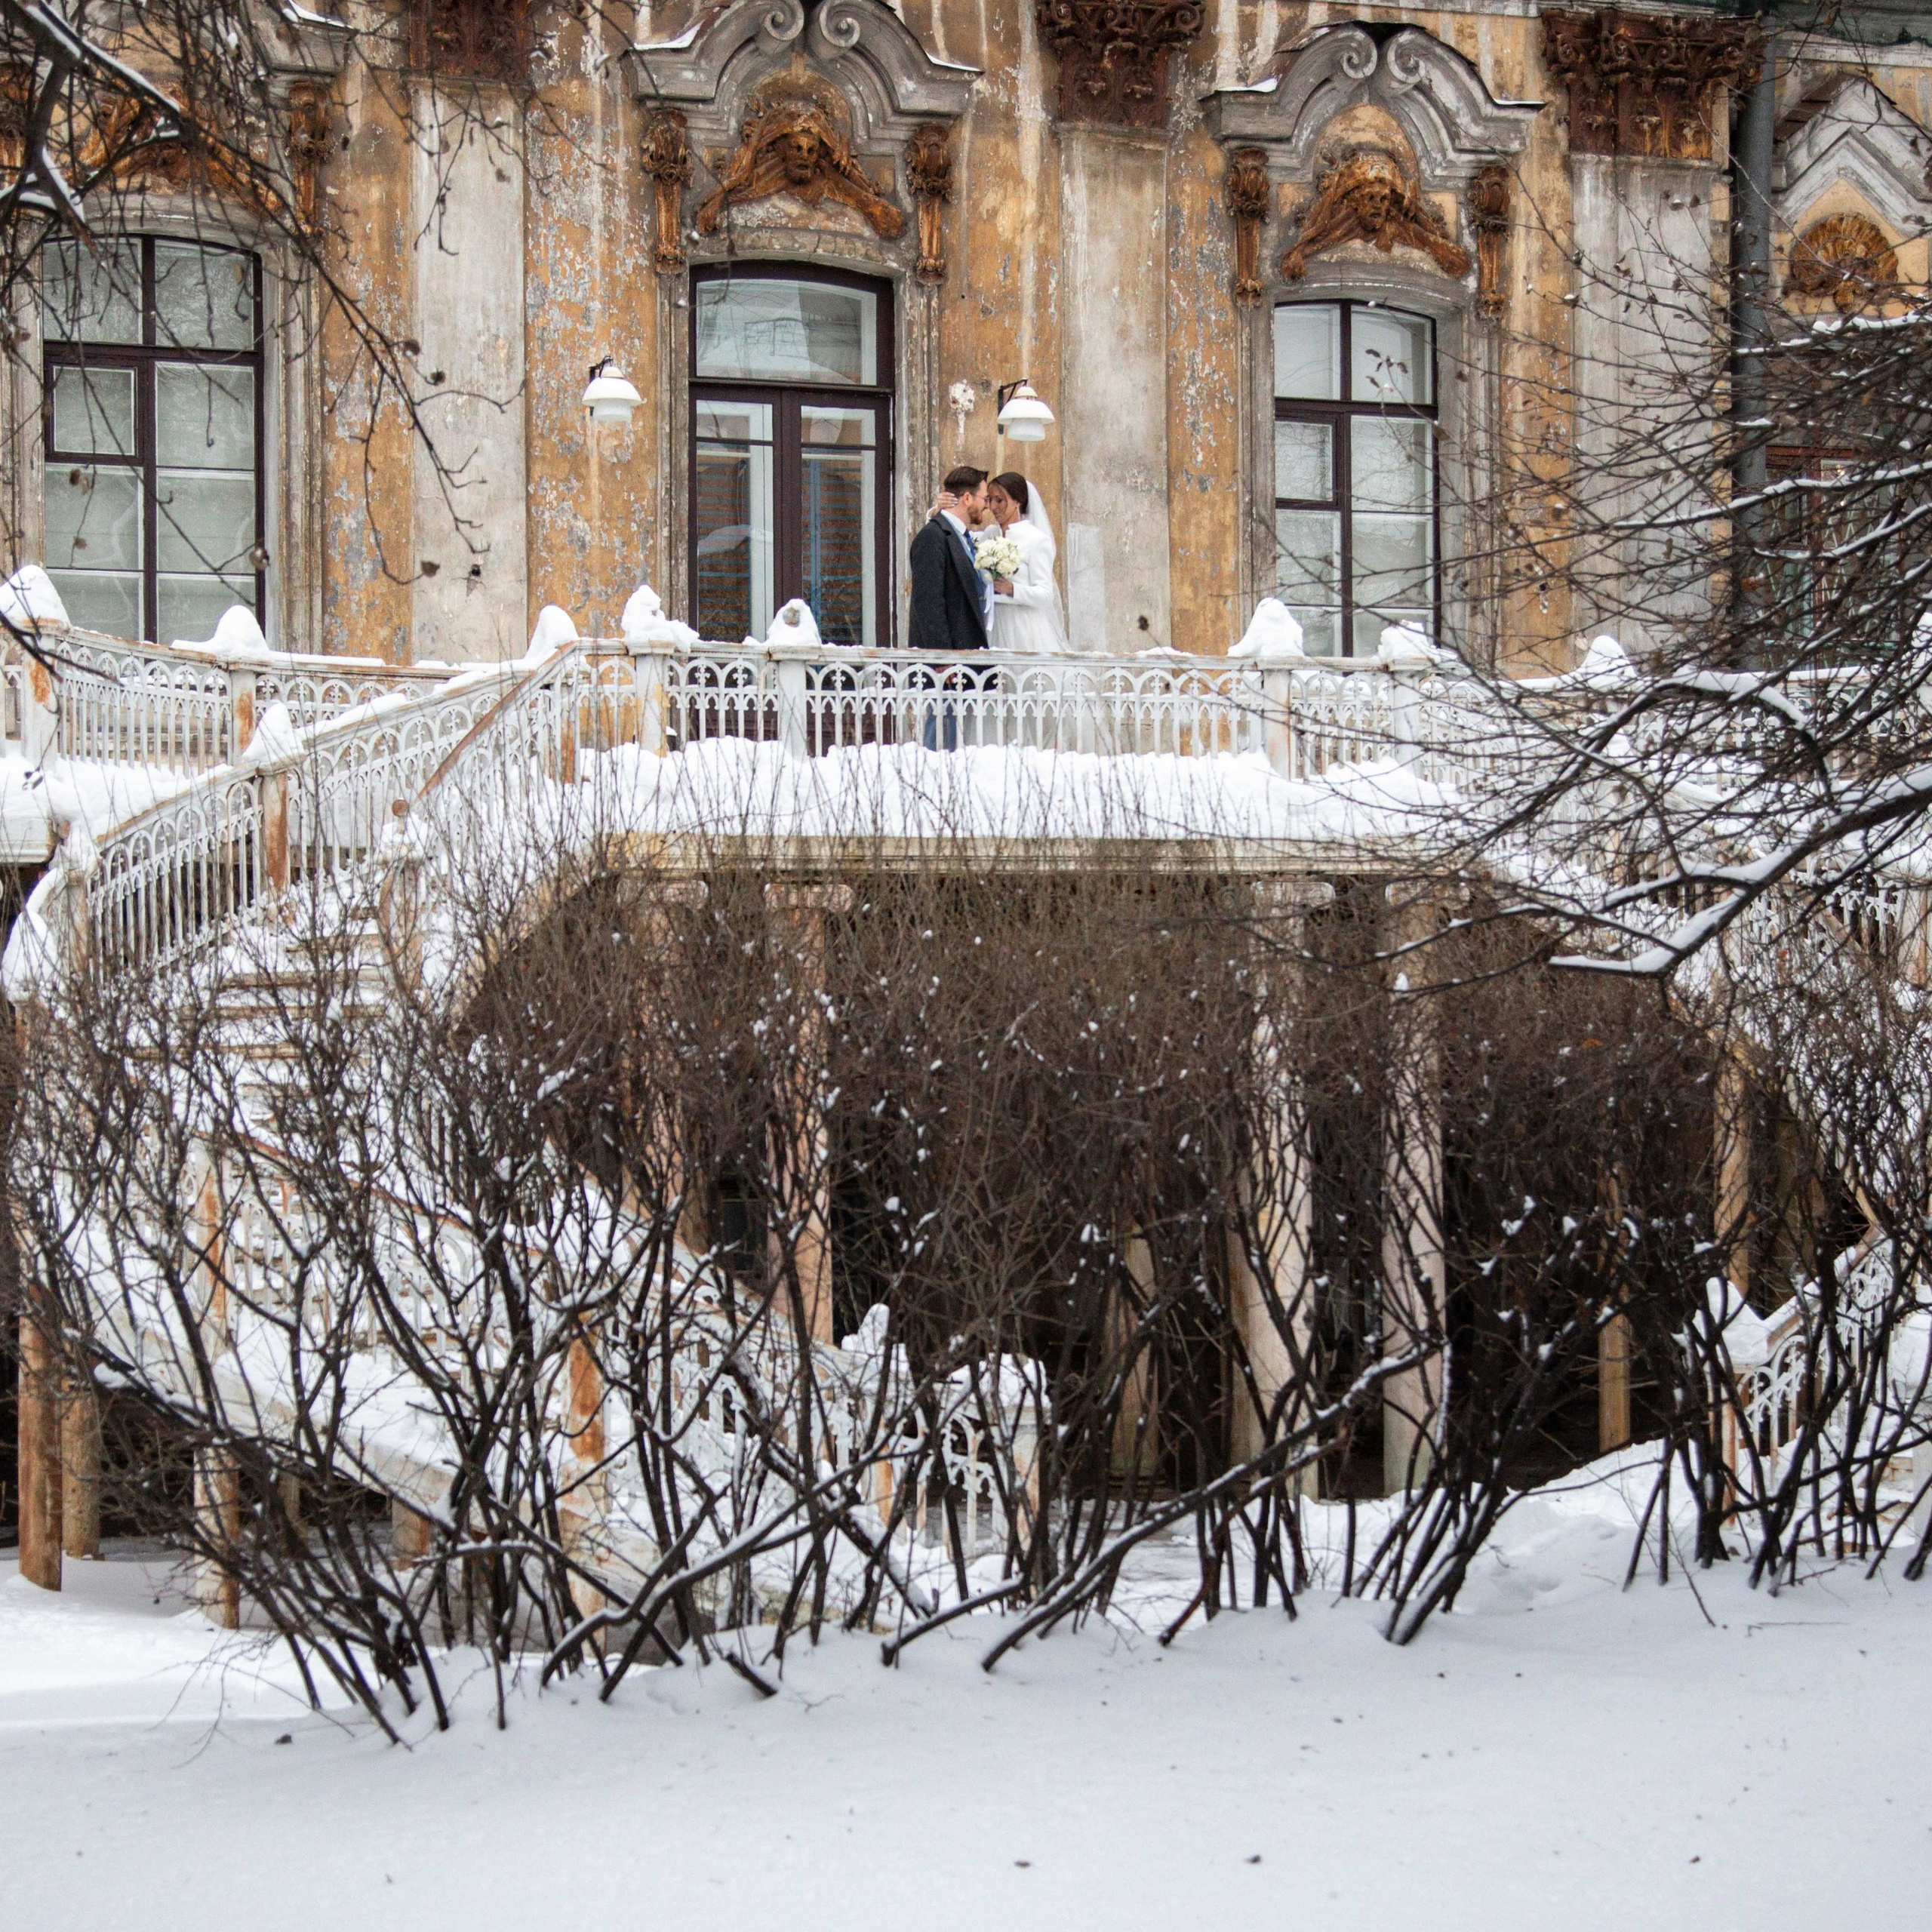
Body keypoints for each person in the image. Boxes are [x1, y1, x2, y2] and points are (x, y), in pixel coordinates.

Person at [909, 464, 991, 747]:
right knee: (940, 734)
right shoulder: (933, 537)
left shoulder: (965, 538)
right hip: (946, 662)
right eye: (984, 499)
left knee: (953, 732)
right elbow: (928, 601)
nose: (987, 506)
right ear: (967, 499)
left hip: (964, 658)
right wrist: (942, 658)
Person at [984, 471, 1069, 655]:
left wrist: (1012, 589)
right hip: (994, 624)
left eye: (999, 500)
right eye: (990, 500)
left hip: (1023, 627)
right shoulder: (990, 534)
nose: (993, 507)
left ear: (1017, 501)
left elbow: (1046, 594)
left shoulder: (1036, 540)